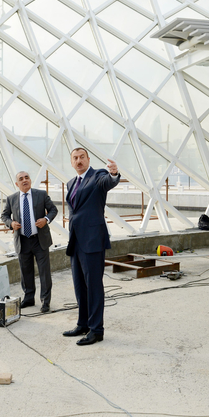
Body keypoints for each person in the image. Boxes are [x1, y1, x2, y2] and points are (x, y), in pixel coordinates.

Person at [63, 148, 120, 346]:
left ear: (88, 159)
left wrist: (113, 173)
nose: (78, 161)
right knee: (80, 286)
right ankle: (83, 323)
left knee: (94, 286)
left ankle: (96, 330)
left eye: (81, 158)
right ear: (71, 162)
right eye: (75, 158)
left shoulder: (98, 176)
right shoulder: (71, 183)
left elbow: (108, 182)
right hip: (76, 241)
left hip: (93, 240)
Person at [1, 171, 58, 313]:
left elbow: (53, 210)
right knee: (26, 272)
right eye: (21, 179)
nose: (24, 180)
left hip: (40, 240)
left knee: (44, 272)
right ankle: (29, 298)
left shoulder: (41, 194)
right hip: (22, 240)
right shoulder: (11, 199)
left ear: (30, 180)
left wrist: (46, 220)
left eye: (27, 177)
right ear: (17, 183)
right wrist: (11, 223)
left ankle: (45, 302)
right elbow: (4, 215)